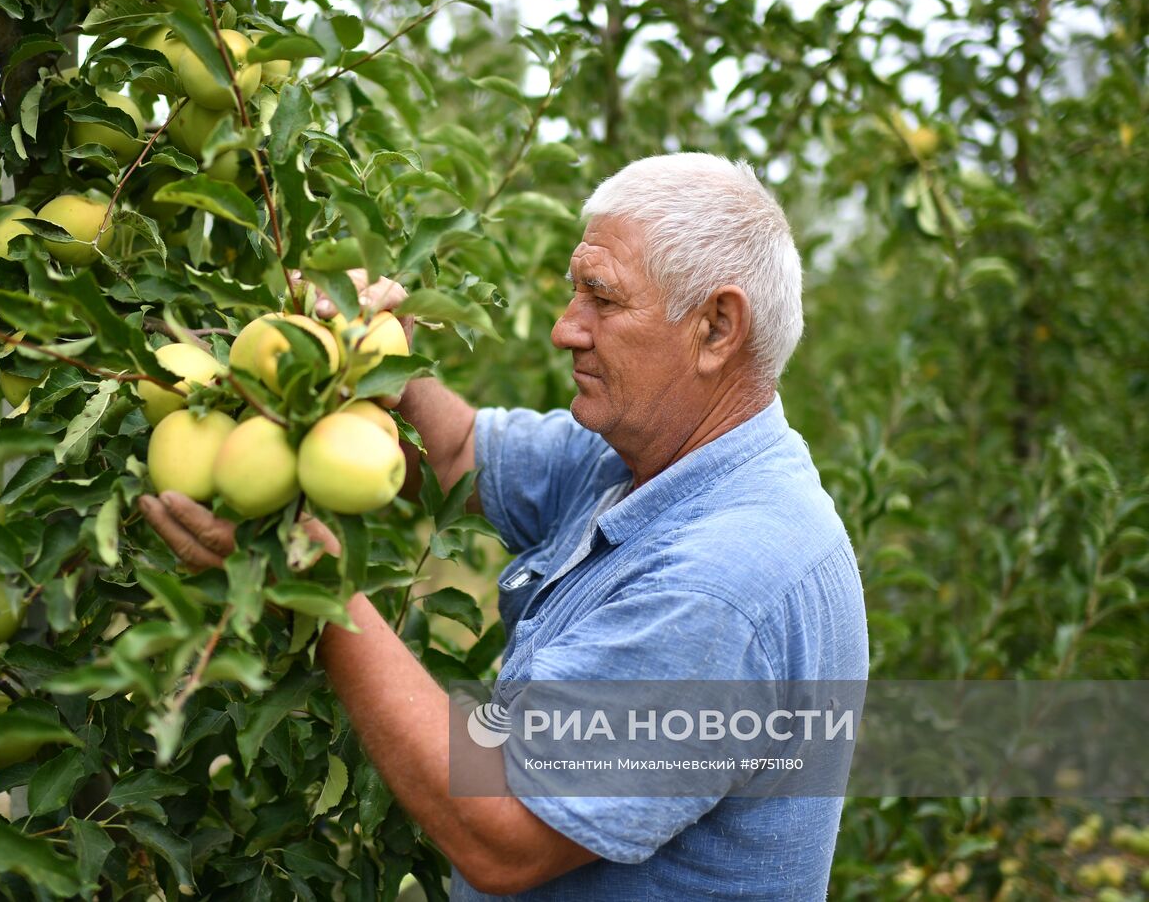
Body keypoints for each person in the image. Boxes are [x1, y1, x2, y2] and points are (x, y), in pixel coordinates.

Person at [139, 153, 869, 899]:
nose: (565, 330)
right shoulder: (640, 459)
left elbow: (505, 831)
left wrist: (320, 596)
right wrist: (373, 362)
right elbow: (453, 453)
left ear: (717, 326)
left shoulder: (723, 582)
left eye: (602, 299)